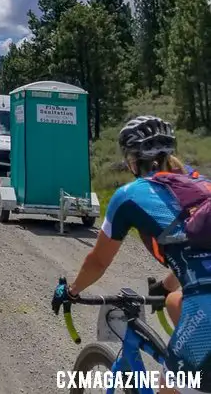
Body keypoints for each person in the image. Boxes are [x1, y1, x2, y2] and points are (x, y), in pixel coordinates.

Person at [53, 115, 211, 392]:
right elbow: (196, 252)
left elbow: (98, 261)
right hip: (201, 299)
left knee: (169, 385)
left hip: (206, 312)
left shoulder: (129, 196)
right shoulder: (200, 184)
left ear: (132, 161)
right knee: (175, 300)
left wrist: (71, 292)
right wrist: (165, 286)